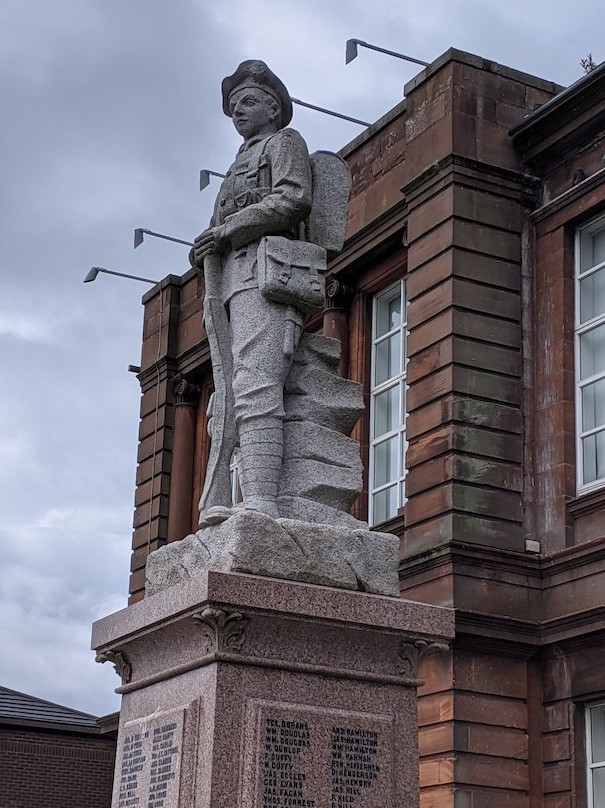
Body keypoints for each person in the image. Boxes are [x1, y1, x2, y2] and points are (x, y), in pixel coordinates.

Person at [191, 60, 316, 525]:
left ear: (273, 105)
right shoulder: (236, 164)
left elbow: (292, 198)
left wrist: (227, 232)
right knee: (225, 395)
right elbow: (215, 228)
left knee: (257, 385)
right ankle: (225, 495)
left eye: (246, 102)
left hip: (265, 279)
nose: (237, 112)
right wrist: (206, 244)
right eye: (232, 107)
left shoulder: (284, 143)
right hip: (227, 287)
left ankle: (262, 498)